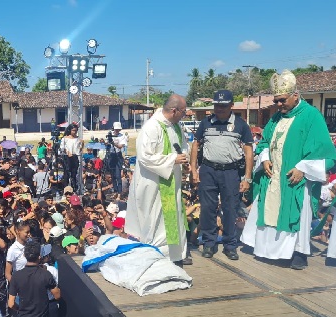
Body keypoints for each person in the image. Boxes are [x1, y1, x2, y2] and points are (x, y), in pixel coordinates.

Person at [241, 70, 336, 269]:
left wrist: (303, 168)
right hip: (273, 176)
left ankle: (298, 253)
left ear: (296, 95)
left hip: (296, 179)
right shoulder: (276, 118)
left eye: (282, 100)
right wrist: (266, 157)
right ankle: (267, 250)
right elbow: (264, 142)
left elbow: (325, 154)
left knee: (297, 214)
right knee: (268, 211)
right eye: (276, 100)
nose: (278, 105)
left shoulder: (312, 117)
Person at [190, 90, 253, 260]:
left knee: (230, 209)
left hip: (231, 172)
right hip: (208, 170)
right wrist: (194, 170)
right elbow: (196, 145)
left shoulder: (241, 125)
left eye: (223, 106)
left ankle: (230, 245)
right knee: (207, 209)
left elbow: (248, 151)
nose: (219, 109)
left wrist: (247, 178)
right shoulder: (206, 123)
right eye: (217, 105)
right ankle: (209, 244)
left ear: (231, 105)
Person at [126, 94, 189, 264]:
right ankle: (154, 256)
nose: (184, 115)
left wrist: (184, 158)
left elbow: (183, 146)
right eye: (183, 112)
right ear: (174, 110)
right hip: (153, 183)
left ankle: (175, 254)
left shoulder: (176, 126)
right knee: (154, 220)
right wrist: (172, 160)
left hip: (171, 181)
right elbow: (145, 157)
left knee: (172, 217)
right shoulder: (152, 127)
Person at [59, 124, 82, 192]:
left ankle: (74, 188)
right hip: (67, 157)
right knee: (67, 173)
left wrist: (82, 144)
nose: (74, 132)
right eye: (73, 130)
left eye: (75, 130)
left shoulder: (77, 139)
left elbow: (79, 149)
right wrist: (67, 152)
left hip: (75, 156)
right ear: (70, 130)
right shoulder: (65, 138)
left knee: (74, 174)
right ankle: (66, 189)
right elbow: (62, 148)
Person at [108, 121, 128, 193]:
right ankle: (115, 190)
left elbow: (120, 146)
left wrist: (113, 142)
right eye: (115, 129)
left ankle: (119, 192)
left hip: (118, 155)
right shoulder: (111, 134)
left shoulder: (122, 136)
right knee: (112, 175)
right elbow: (107, 143)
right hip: (111, 155)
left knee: (118, 175)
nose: (116, 130)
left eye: (117, 129)